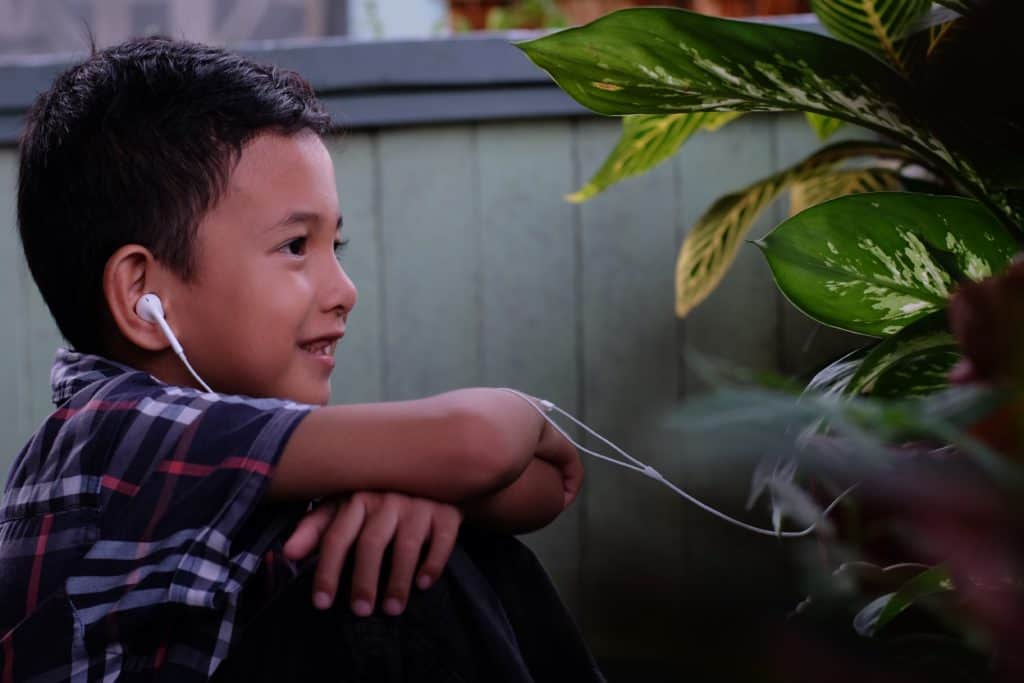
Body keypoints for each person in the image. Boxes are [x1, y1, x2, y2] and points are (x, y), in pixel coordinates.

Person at [0, 36, 603, 682]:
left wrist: (426, 499)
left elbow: (548, 483)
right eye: (295, 246)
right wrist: (520, 413)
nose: (344, 291)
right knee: (388, 578)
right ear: (144, 296)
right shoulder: (111, 435)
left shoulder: (235, 447)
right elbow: (479, 443)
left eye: (333, 244)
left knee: (407, 543)